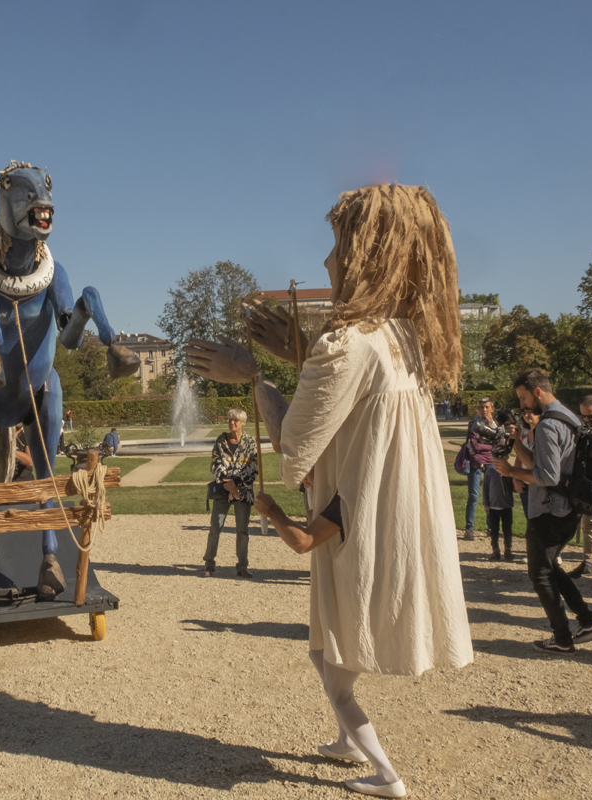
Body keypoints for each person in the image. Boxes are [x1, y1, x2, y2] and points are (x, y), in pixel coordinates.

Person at [187, 182, 472, 798]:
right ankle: (347, 741)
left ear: (366, 257)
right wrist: (300, 352)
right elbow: (353, 405)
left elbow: (295, 451)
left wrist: (255, 374)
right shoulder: (404, 338)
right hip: (383, 516)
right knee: (328, 636)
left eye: (337, 247)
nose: (326, 262)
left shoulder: (349, 343)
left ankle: (385, 774)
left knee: (332, 656)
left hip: (357, 521)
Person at [494, 369, 592, 654]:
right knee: (551, 567)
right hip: (567, 508)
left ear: (537, 392)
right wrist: (517, 441)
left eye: (523, 397)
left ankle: (563, 637)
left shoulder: (547, 426)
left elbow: (548, 476)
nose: (522, 405)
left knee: (540, 575)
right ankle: (588, 621)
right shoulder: (568, 417)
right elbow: (543, 465)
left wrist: (510, 471)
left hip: (549, 511)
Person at [203, 409, 258, 579]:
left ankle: (242, 566)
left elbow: (253, 468)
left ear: (243, 423)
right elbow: (215, 463)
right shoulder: (221, 440)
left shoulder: (250, 442)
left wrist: (237, 482)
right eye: (230, 420)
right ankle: (209, 563)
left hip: (243, 492)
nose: (231, 423)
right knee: (215, 527)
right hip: (223, 491)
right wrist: (228, 482)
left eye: (235, 420)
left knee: (242, 530)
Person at [567, 395, 592, 578]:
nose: (588, 420)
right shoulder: (582, 430)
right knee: (589, 524)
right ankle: (588, 561)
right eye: (584, 416)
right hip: (588, 485)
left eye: (591, 416)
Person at [462, 398, 501, 541]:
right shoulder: (474, 424)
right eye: (481, 407)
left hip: (491, 463)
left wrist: (492, 428)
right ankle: (469, 528)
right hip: (476, 463)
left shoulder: (496, 424)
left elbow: (500, 443)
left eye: (486, 407)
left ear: (492, 409)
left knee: (491, 496)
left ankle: (491, 527)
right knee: (473, 496)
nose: (484, 410)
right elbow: (476, 446)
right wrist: (491, 443)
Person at [482, 456, 514, 561]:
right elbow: (485, 488)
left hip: (506, 506)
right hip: (493, 507)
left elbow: (514, 487)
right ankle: (495, 551)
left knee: (507, 530)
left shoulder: (509, 472)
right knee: (494, 530)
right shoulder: (490, 472)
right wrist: (486, 504)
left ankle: (508, 551)